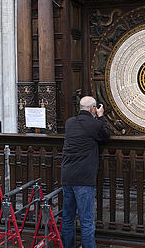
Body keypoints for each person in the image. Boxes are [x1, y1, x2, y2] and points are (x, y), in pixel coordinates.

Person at [61, 96, 110, 248]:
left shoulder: (69, 123)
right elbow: (106, 135)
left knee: (68, 218)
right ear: (92, 109)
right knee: (86, 221)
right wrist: (101, 117)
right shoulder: (94, 124)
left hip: (67, 176)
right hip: (84, 179)